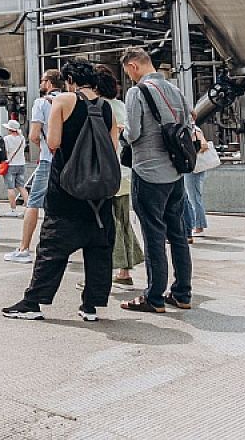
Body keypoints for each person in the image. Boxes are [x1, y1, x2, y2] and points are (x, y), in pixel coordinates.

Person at [2, 61, 117, 322]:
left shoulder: (64, 100)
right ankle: (90, 306)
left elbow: (53, 142)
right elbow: (112, 145)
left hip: (67, 183)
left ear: (70, 80)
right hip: (99, 188)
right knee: (99, 244)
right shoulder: (106, 106)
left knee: (53, 243)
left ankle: (33, 302)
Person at [119, 47, 194, 312]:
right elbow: (189, 124)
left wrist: (121, 133)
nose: (129, 77)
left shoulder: (137, 92)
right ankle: (183, 293)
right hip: (175, 174)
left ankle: (154, 297)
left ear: (133, 66)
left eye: (128, 71)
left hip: (149, 172)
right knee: (178, 235)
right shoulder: (176, 90)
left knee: (153, 236)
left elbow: (134, 132)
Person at [4, 69, 63, 264]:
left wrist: (44, 146)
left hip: (48, 159)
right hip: (68, 161)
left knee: (33, 203)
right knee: (63, 205)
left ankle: (23, 248)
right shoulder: (70, 100)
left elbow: (34, 135)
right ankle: (62, 249)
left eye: (42, 80)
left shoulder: (41, 103)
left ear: (48, 83)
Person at [96, 64, 143, 286]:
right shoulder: (121, 105)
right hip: (125, 171)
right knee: (123, 219)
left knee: (105, 222)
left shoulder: (99, 107)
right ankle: (125, 271)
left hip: (106, 172)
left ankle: (104, 272)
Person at [182, 126, 210, 240]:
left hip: (194, 168)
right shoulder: (194, 129)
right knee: (193, 196)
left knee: (193, 197)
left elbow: (204, 145)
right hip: (196, 168)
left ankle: (198, 226)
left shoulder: (194, 130)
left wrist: (192, 154)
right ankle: (197, 225)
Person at [2, 119, 27, 216]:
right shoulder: (22, 138)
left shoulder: (7, 139)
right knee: (21, 186)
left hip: (10, 165)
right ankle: (28, 207)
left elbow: (6, 152)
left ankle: (13, 209)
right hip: (21, 163)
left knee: (10, 188)